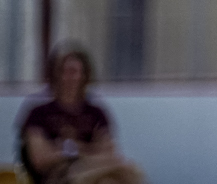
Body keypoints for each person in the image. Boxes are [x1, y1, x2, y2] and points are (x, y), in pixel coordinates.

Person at [15, 44, 143, 184]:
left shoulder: (96, 113)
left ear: (84, 75)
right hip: (59, 175)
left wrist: (67, 149)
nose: (70, 78)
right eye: (65, 71)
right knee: (122, 171)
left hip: (93, 169)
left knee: (111, 180)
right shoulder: (38, 114)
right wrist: (87, 151)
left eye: (75, 72)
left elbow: (108, 152)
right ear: (55, 74)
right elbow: (40, 159)